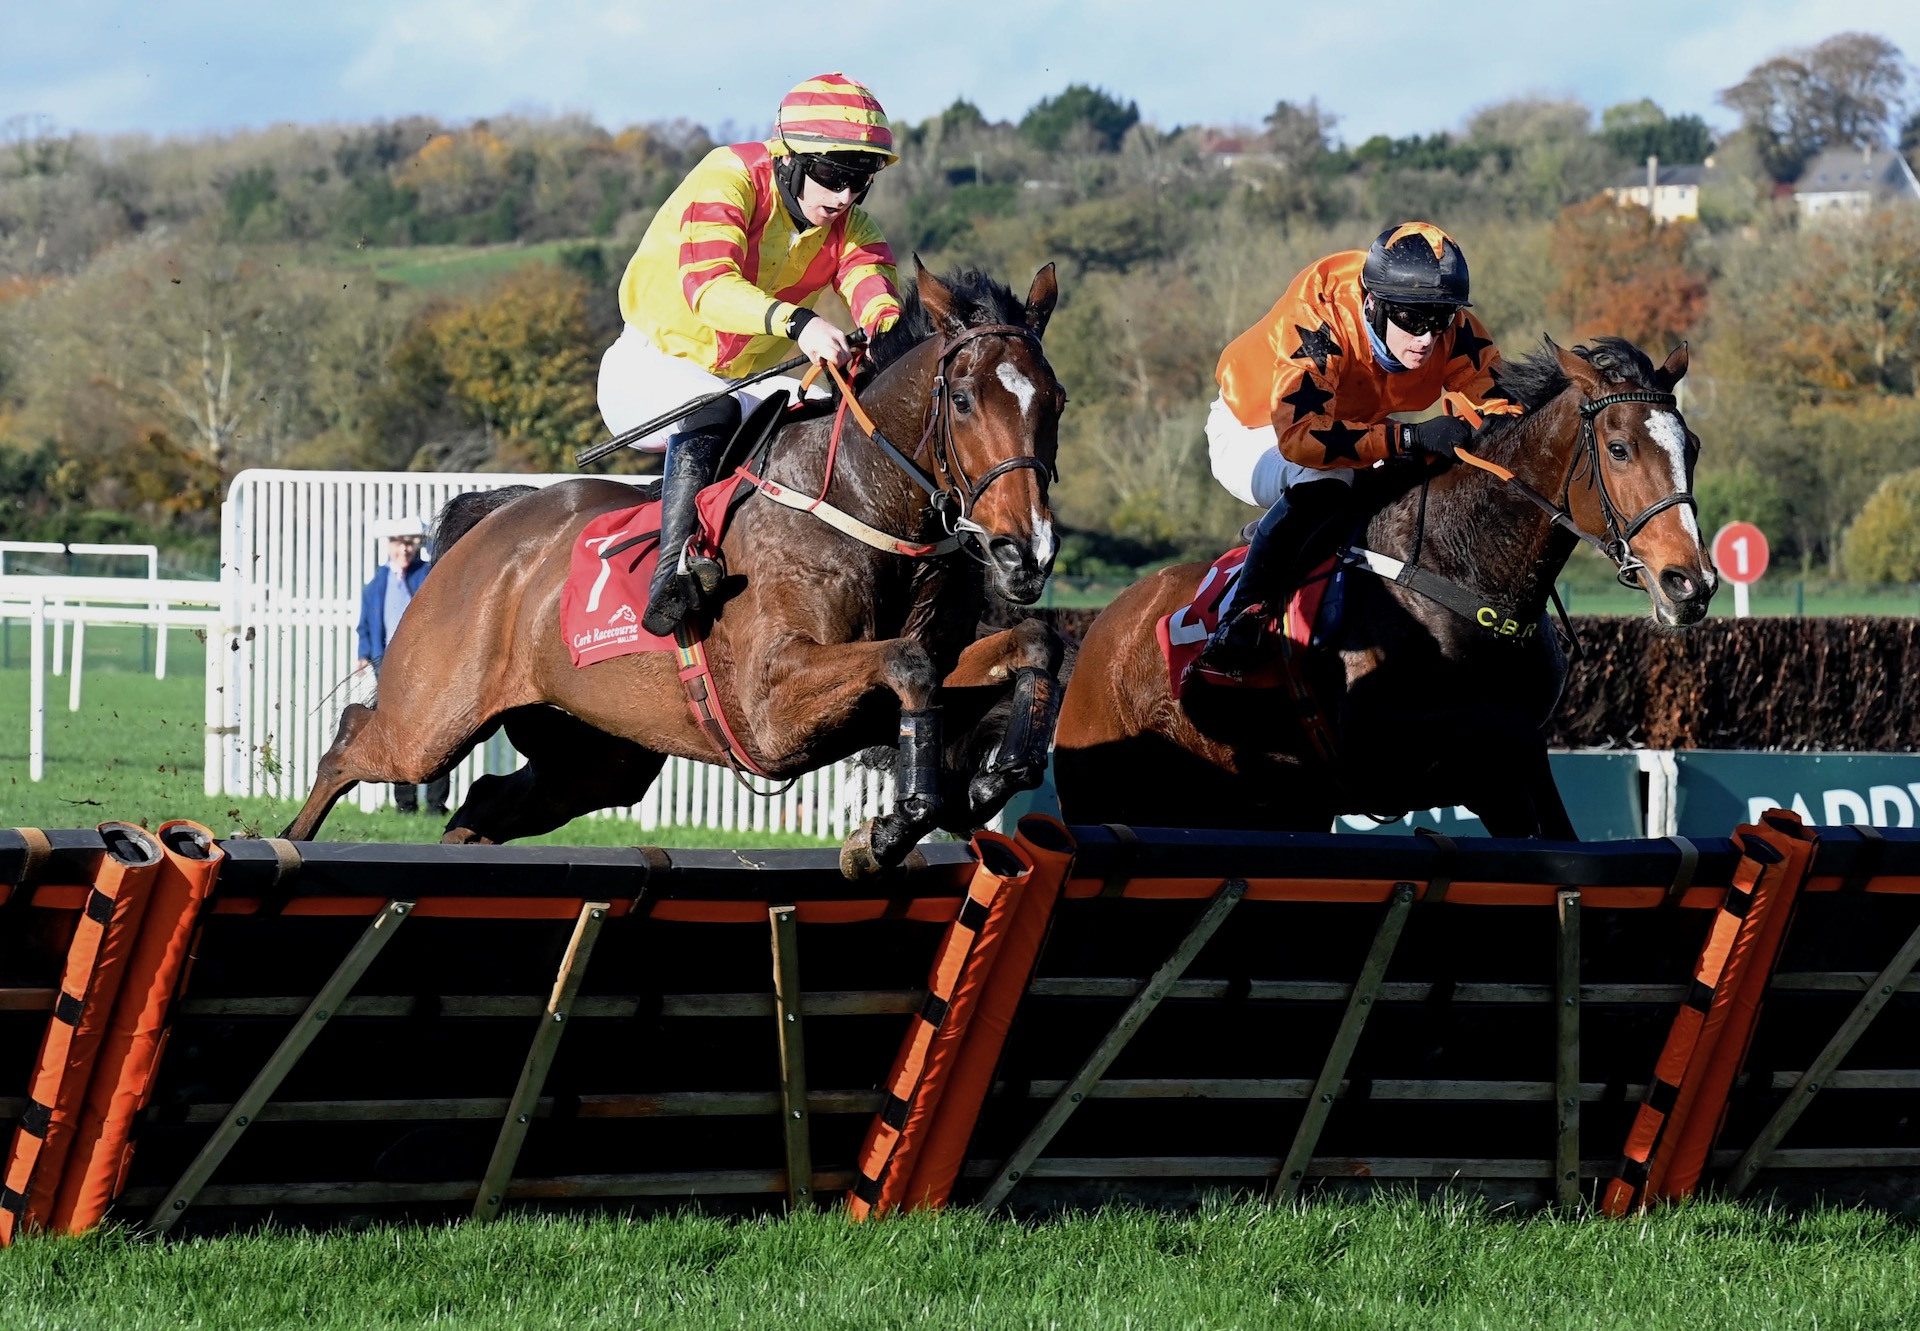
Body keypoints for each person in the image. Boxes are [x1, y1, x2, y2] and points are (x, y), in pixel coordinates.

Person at [598, 72, 905, 637]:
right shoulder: (727, 177)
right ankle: (675, 571)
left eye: (860, 183)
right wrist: (801, 321)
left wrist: (890, 341)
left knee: (833, 421)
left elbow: (874, 290)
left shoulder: (850, 224)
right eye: (835, 176)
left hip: (747, 380)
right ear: (789, 158)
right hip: (651, 364)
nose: (844, 198)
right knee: (709, 407)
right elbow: (708, 287)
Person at [1195, 221, 1514, 675]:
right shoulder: (1321, 315)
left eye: (1439, 319)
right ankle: (1242, 619)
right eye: (1411, 319)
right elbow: (1300, 438)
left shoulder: (1452, 326)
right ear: (1371, 303)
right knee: (1329, 477)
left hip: (1353, 428)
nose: (1426, 338)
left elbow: (1501, 409)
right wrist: (1408, 437)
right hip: (1258, 428)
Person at [356, 517, 450, 815]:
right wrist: (364, 653)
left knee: (438, 730)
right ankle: (404, 805)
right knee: (397, 731)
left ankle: (436, 804)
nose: (405, 549)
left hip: (425, 662)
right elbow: (365, 627)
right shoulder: (377, 584)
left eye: (411, 542)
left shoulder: (427, 575)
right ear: (390, 546)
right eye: (399, 542)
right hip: (388, 664)